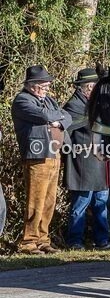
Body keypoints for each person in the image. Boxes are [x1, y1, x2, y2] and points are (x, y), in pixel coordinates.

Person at [11, 65, 71, 254]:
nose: (46, 88)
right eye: (43, 85)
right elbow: (44, 116)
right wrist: (56, 118)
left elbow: (68, 116)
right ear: (31, 85)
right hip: (37, 156)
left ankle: (43, 240)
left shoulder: (49, 100)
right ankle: (28, 241)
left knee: (49, 201)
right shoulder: (22, 100)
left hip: (54, 154)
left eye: (47, 85)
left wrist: (57, 119)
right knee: (35, 200)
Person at [63, 68, 110, 250]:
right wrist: (71, 149)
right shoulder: (73, 105)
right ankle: (74, 240)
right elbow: (65, 131)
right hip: (83, 162)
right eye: (91, 86)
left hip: (102, 160)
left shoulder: (100, 103)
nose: (93, 89)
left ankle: (102, 239)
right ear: (83, 87)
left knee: (101, 202)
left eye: (95, 86)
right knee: (81, 203)